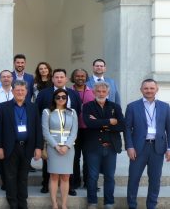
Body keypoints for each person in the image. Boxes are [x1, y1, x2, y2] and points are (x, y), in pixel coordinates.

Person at [0, 80, 42, 209]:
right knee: (10, 177)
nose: (20, 92)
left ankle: (23, 202)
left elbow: (38, 128)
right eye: (17, 90)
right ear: (12, 91)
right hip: (10, 147)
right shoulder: (3, 107)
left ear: (27, 92)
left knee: (23, 177)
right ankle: (13, 203)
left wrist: (38, 147)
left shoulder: (33, 107)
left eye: (22, 90)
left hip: (27, 147)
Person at [125, 79, 170, 209]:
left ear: (156, 89)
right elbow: (127, 128)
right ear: (141, 90)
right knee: (134, 179)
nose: (149, 91)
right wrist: (129, 146)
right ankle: (132, 206)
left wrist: (169, 148)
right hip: (139, 148)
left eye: (151, 88)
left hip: (158, 148)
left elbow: (169, 128)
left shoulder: (165, 107)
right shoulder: (132, 106)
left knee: (155, 180)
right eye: (146, 88)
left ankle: (151, 206)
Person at [34, 68, 81, 195]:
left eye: (62, 77)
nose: (59, 79)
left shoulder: (74, 93)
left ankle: (69, 186)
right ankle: (46, 184)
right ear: (52, 79)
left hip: (69, 135)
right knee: (47, 160)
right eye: (56, 77)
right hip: (50, 134)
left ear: (66, 79)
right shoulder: (44, 93)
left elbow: (78, 112)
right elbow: (37, 112)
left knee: (71, 162)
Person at [83, 81, 124, 209]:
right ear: (94, 92)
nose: (101, 93)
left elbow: (121, 125)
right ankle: (92, 202)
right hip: (93, 147)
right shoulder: (88, 106)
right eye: (98, 91)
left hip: (111, 146)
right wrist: (109, 121)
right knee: (92, 176)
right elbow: (89, 123)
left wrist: (99, 122)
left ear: (108, 92)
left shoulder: (115, 106)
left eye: (103, 91)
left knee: (110, 177)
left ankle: (109, 203)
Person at [42, 89, 78, 209]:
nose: (61, 99)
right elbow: (46, 132)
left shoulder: (72, 112)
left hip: (68, 148)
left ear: (67, 99)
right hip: (53, 148)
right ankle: (54, 204)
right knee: (54, 176)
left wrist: (67, 146)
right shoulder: (47, 112)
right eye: (58, 97)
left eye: (64, 97)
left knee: (65, 176)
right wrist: (56, 146)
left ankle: (64, 204)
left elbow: (74, 131)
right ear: (54, 98)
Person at [70, 68, 94, 189]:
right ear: (73, 77)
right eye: (77, 76)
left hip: (89, 129)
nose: (80, 78)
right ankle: (74, 182)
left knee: (89, 157)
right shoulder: (68, 92)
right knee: (74, 157)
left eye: (82, 76)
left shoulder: (92, 92)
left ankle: (88, 182)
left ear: (86, 77)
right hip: (73, 129)